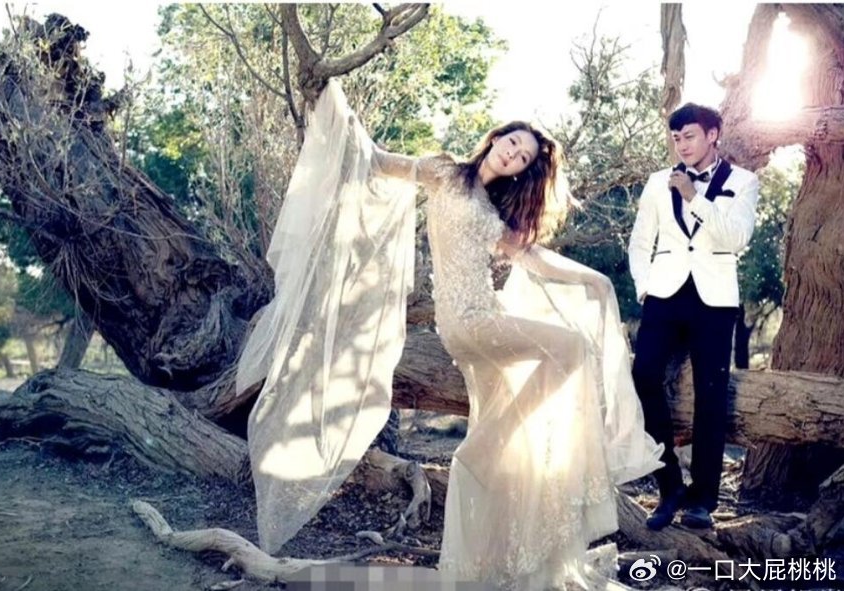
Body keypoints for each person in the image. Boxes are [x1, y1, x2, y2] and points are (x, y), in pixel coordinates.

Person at [237, 81, 663, 590]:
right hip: (467, 322)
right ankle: (479, 448)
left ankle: (503, 564)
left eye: (524, 158)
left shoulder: (495, 209)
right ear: (496, 137)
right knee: (572, 348)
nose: (513, 155)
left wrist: (592, 280)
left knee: (522, 448)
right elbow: (377, 162)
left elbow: (532, 257)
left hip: (485, 317)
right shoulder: (443, 172)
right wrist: (335, 108)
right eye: (513, 143)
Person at [628, 103, 759, 531]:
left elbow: (736, 238)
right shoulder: (656, 183)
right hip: (664, 295)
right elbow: (640, 242)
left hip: (715, 299)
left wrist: (694, 197)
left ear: (712, 134)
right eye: (676, 138)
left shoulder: (743, 182)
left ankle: (702, 499)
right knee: (643, 376)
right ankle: (668, 486)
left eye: (689, 136)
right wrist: (645, 288)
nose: (682, 145)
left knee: (711, 394)